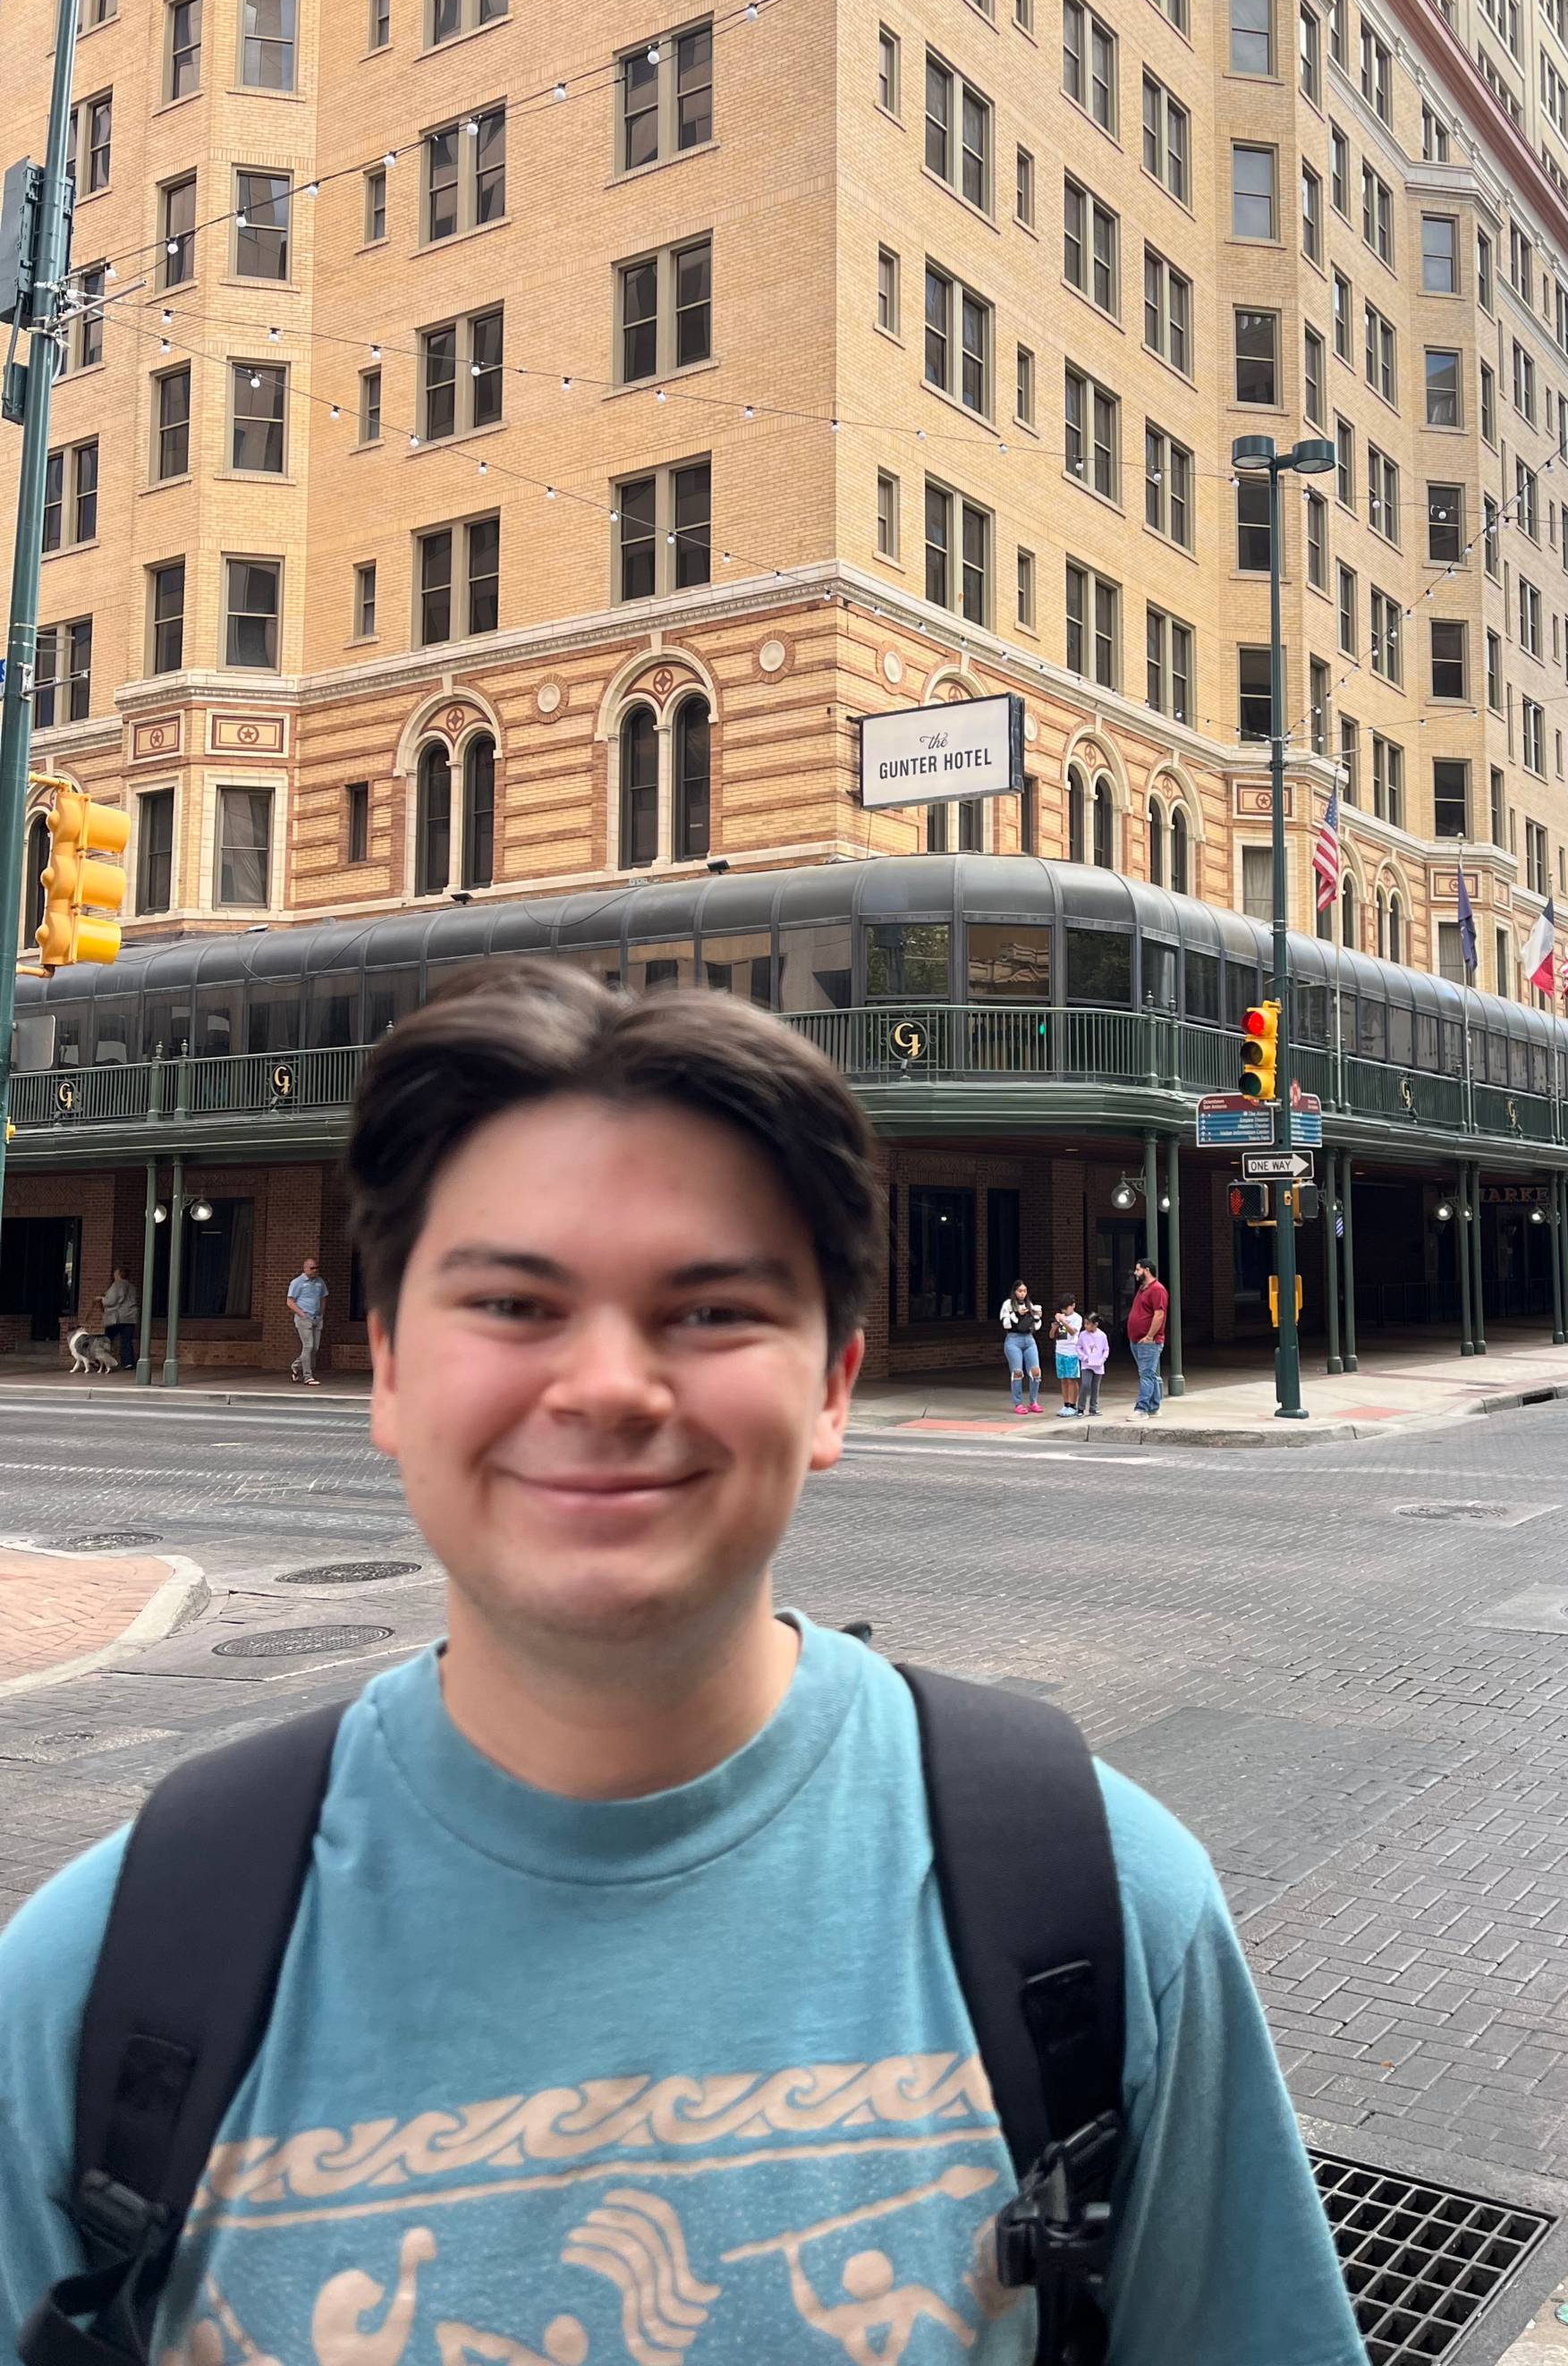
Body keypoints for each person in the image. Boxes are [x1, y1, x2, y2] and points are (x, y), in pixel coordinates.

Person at [0, 966, 1364, 2366]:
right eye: (515, 1305)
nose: (606, 1386)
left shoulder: (1113, 1913)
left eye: (710, 1311)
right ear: (391, 1371)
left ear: (834, 1382)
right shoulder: (95, 1984)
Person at [1127, 1256, 1168, 1416]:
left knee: (1146, 1375)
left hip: (1149, 1341)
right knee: (1148, 1374)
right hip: (1137, 1340)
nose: (1135, 1273)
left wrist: (1150, 1336)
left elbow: (1159, 1315)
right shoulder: (1143, 1289)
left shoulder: (1157, 1289)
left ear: (1147, 1270)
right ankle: (1154, 1406)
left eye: (1138, 1270)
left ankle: (1141, 1409)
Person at [996, 1281, 1042, 1413]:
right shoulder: (1008, 1304)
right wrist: (1016, 1313)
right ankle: (1018, 1403)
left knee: (1036, 1371)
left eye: (1025, 1291)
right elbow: (1006, 1325)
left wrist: (1037, 1317)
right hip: (1013, 1339)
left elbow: (1036, 1326)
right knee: (1017, 1372)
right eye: (1020, 1291)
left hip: (1028, 1338)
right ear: (1014, 1291)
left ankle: (1033, 1401)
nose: (1022, 1293)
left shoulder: (1030, 1304)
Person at [285, 1255, 328, 1385]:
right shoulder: (297, 1282)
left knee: (314, 1348)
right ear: (305, 1269)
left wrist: (322, 1312)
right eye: (312, 1268)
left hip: (317, 1317)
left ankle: (296, 1366)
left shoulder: (320, 1281)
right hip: (304, 1318)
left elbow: (323, 1297)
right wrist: (301, 1314)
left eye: (316, 1268)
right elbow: (290, 1301)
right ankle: (307, 1376)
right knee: (308, 1346)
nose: (315, 1270)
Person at [98, 1268, 138, 1372]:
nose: (113, 1275)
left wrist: (102, 1299)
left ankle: (102, 1361)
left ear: (119, 1275)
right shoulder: (132, 1287)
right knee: (126, 1341)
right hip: (130, 1317)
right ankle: (128, 1362)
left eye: (115, 1274)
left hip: (117, 1318)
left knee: (107, 1339)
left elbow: (111, 1301)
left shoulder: (116, 1285)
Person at [1049, 1293, 1082, 1414]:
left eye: (1066, 1308)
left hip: (1071, 1352)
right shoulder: (1059, 1317)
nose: (1064, 1311)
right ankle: (1066, 1404)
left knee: (1071, 1379)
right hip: (1060, 1351)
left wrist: (1064, 1321)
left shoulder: (1077, 1318)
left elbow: (1073, 1332)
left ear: (1073, 1306)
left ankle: (1073, 1405)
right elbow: (1052, 1335)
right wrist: (1055, 1326)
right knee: (1063, 1379)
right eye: (1062, 1309)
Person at [1073, 1311, 1109, 1418]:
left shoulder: (1102, 1335)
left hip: (1098, 1365)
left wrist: (1102, 1360)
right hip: (1087, 1365)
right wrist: (1084, 1357)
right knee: (1085, 1385)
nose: (1086, 1326)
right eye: (1085, 1324)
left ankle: (1093, 1408)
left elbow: (1106, 1349)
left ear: (1095, 1324)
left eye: (1088, 1324)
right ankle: (1080, 1408)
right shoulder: (1083, 1335)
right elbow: (1078, 1347)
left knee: (1095, 1387)